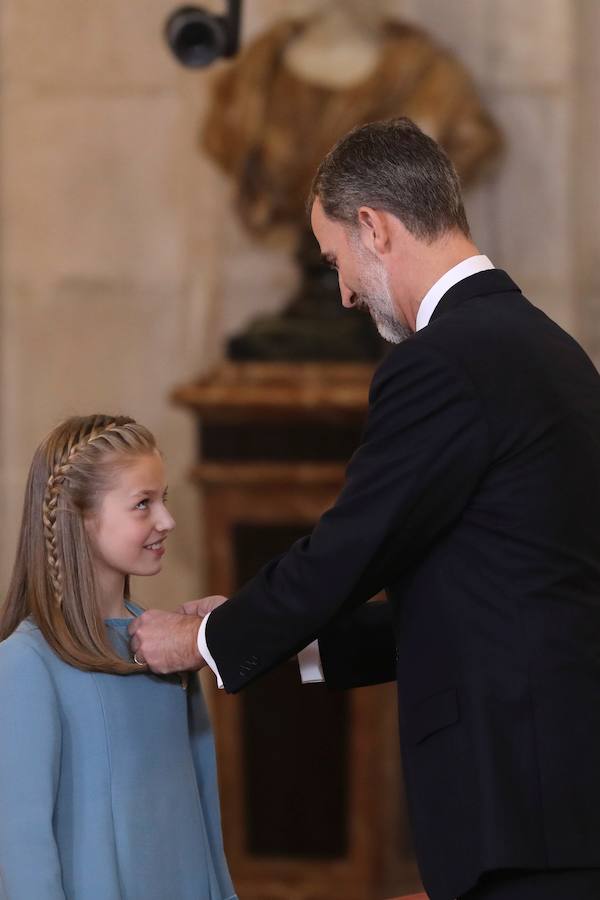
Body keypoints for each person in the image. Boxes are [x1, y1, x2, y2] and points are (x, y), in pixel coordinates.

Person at [129, 119, 600, 900]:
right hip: (556, 800)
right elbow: (489, 597)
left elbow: (346, 551)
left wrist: (204, 639)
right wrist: (283, 639)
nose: (342, 290)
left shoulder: (443, 362)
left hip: (520, 809)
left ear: (374, 227)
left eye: (335, 258)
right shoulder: (554, 351)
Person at [0, 415, 236, 900]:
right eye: (142, 504)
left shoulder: (165, 651)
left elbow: (204, 816)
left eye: (163, 500)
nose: (167, 521)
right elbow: (23, 854)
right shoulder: (26, 666)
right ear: (78, 517)